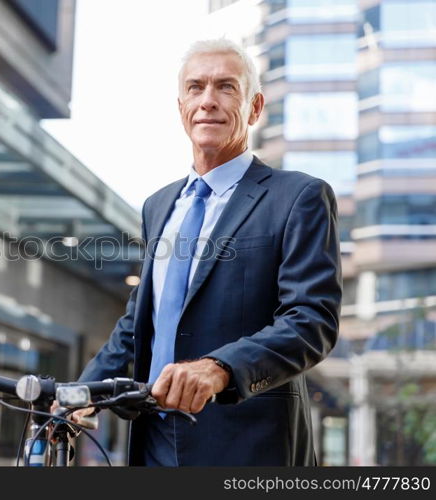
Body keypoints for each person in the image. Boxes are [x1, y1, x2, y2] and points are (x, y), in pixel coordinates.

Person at [74, 38, 342, 466]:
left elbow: (311, 321)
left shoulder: (299, 197)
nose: (208, 101)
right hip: (153, 442)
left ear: (254, 108)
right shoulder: (158, 206)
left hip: (248, 448)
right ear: (180, 106)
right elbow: (138, 323)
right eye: (195, 88)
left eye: (226, 87)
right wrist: (78, 394)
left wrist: (219, 369)